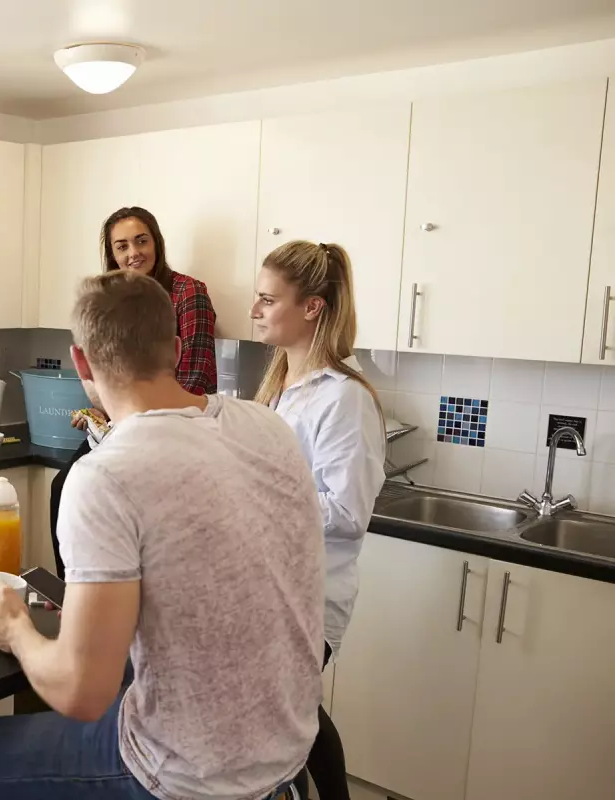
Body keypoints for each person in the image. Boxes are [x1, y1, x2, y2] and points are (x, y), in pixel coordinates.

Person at [0, 271, 324, 800]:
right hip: (287, 752)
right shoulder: (266, 426)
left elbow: (82, 693)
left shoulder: (106, 474)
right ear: (173, 346)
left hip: (185, 775)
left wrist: (15, 630)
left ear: (80, 362)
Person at [251, 241, 386, 800]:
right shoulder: (282, 383)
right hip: (273, 585)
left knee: (292, 716)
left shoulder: (343, 399)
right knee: (296, 714)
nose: (255, 309)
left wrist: (260, 493)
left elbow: (349, 513)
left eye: (267, 299)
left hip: (310, 595)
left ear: (312, 307)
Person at [47, 206, 217, 576]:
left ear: (156, 243)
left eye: (141, 241)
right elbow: (107, 378)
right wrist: (100, 416)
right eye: (121, 246)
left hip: (175, 429)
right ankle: (73, 590)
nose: (132, 253)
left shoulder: (188, 293)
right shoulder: (110, 303)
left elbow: (196, 377)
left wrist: (133, 421)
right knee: (64, 485)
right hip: (118, 426)